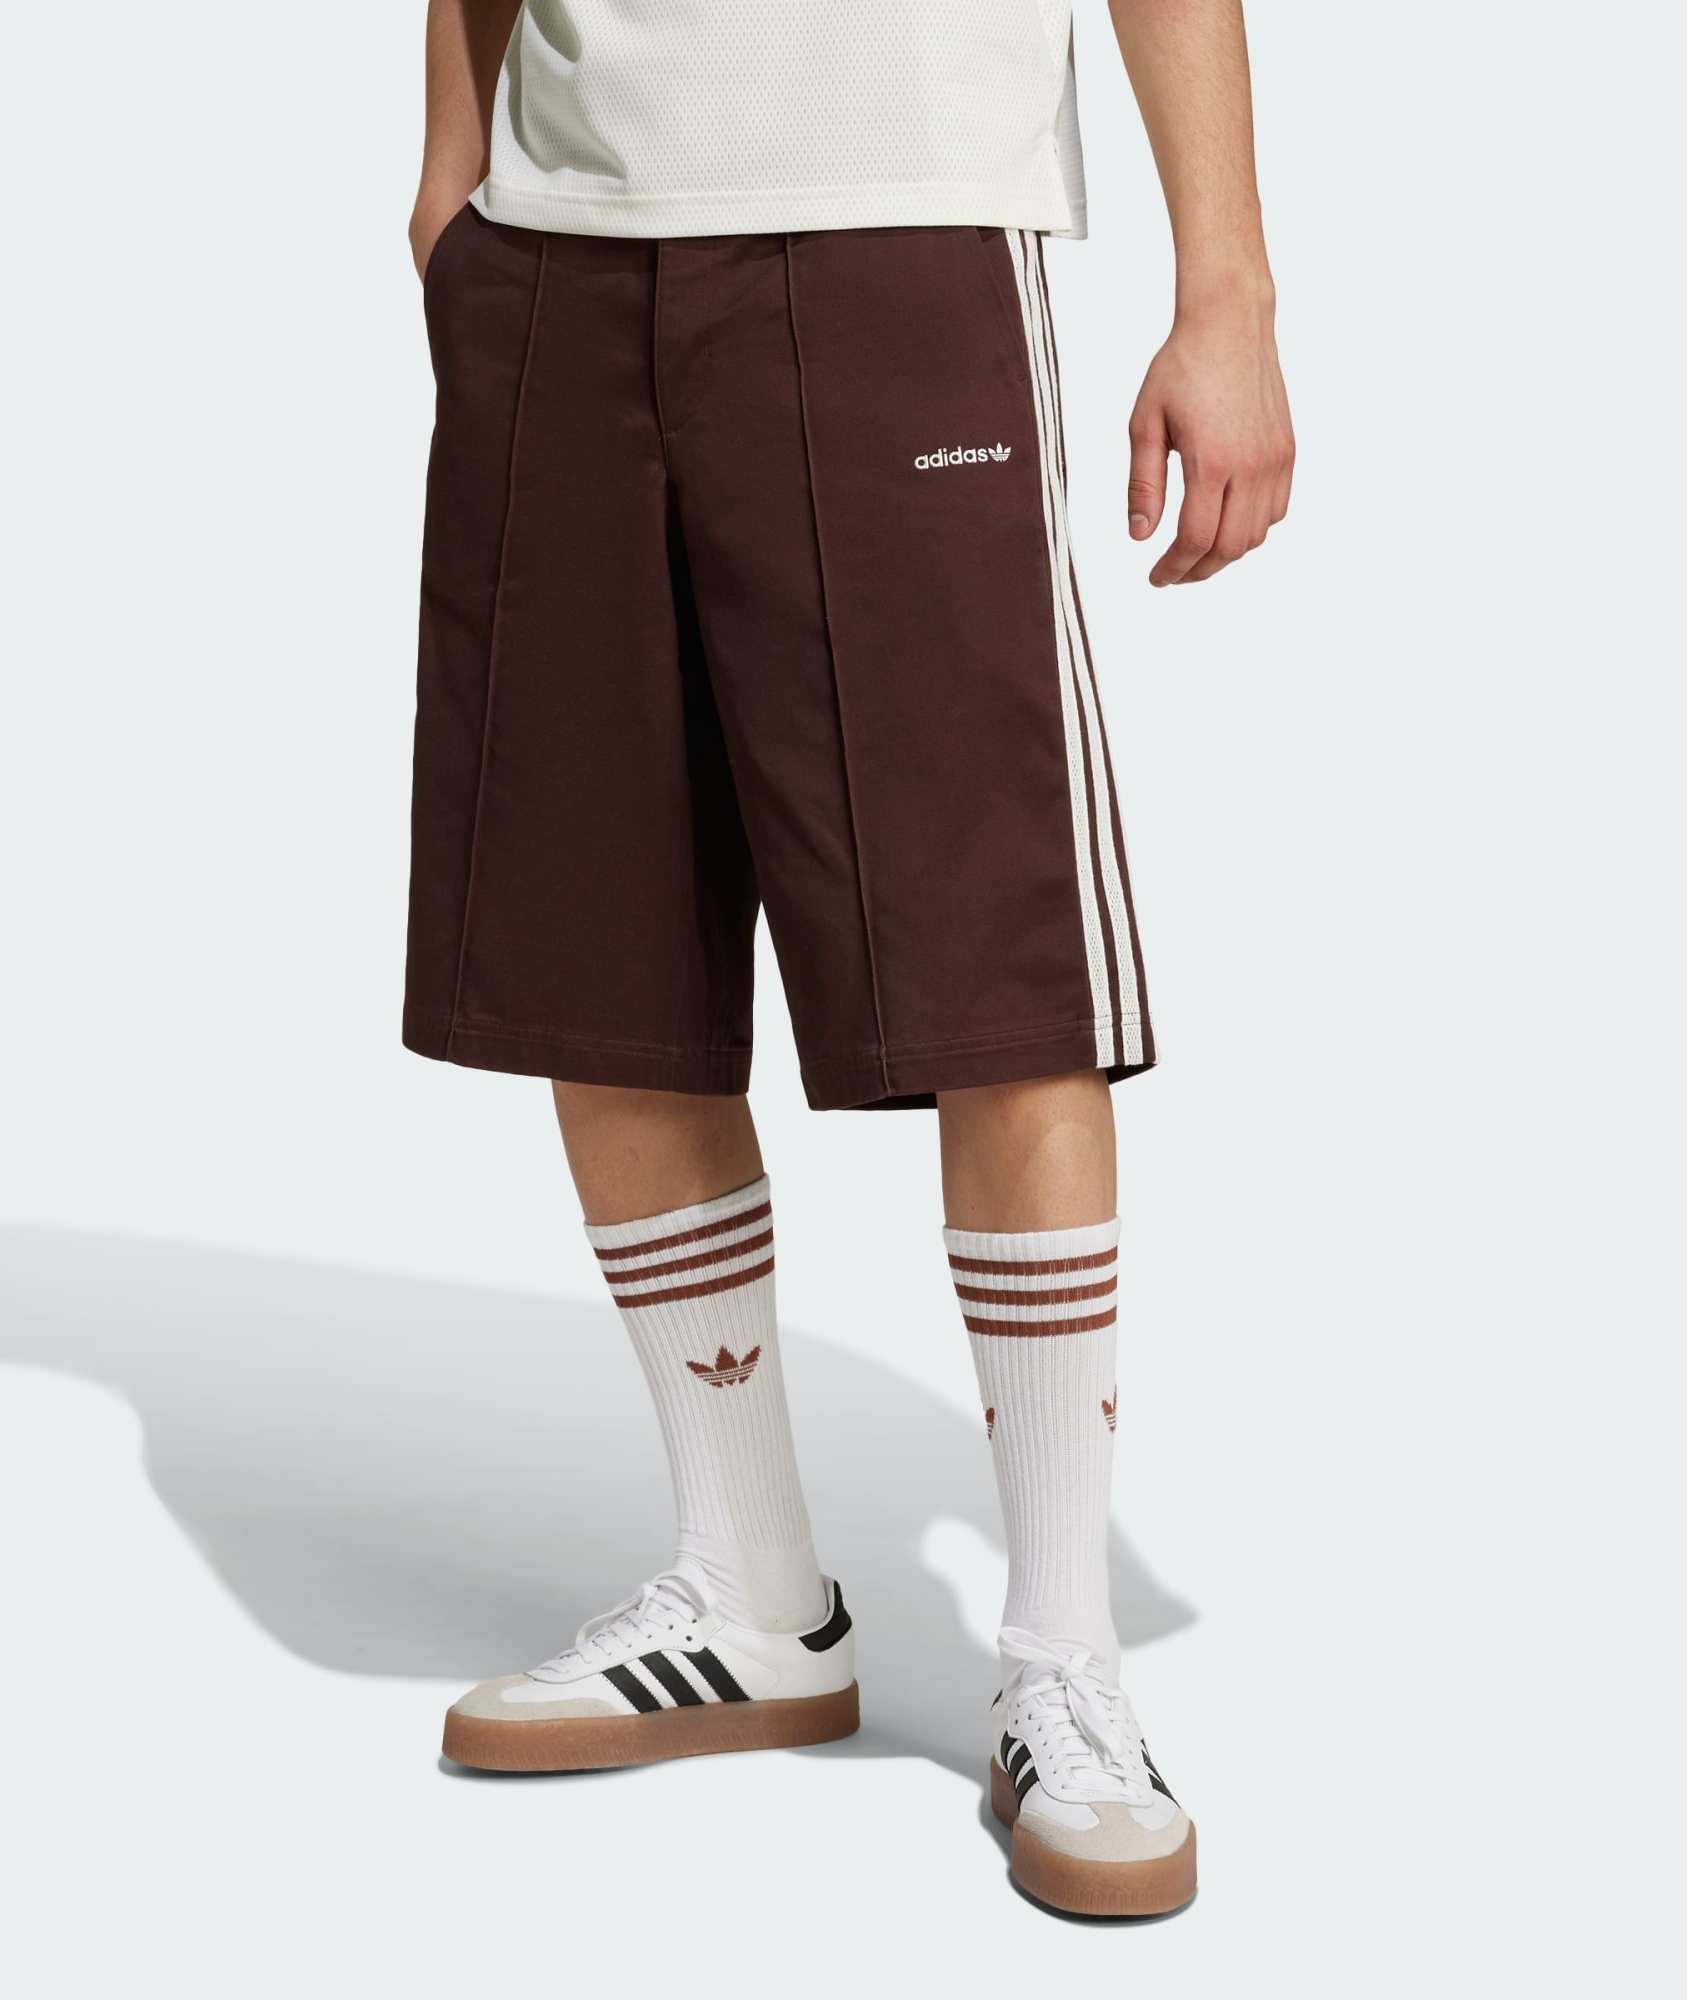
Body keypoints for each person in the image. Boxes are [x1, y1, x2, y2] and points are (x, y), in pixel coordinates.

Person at [402, 0, 1292, 1918]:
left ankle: (1063, 1657)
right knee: (599, 952)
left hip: (898, 218)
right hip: (560, 248)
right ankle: (750, 1590)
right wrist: (452, 166)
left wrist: (1226, 288)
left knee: (999, 969)